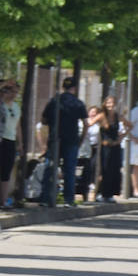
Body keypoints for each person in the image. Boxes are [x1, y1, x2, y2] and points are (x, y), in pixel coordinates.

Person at [40, 76, 87, 206]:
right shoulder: (78, 103)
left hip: (54, 139)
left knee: (50, 168)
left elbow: (43, 120)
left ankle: (45, 198)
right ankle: (68, 200)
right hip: (72, 140)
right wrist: (81, 140)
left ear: (63, 87)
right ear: (75, 88)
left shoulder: (54, 101)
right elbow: (86, 124)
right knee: (70, 171)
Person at [95, 94, 126, 202]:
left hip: (115, 147)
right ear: (105, 104)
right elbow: (89, 123)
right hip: (106, 148)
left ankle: (110, 195)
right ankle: (101, 193)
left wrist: (121, 138)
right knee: (105, 170)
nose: (110, 105)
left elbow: (129, 126)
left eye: (112, 103)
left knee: (114, 171)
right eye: (108, 103)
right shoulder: (102, 116)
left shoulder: (118, 116)